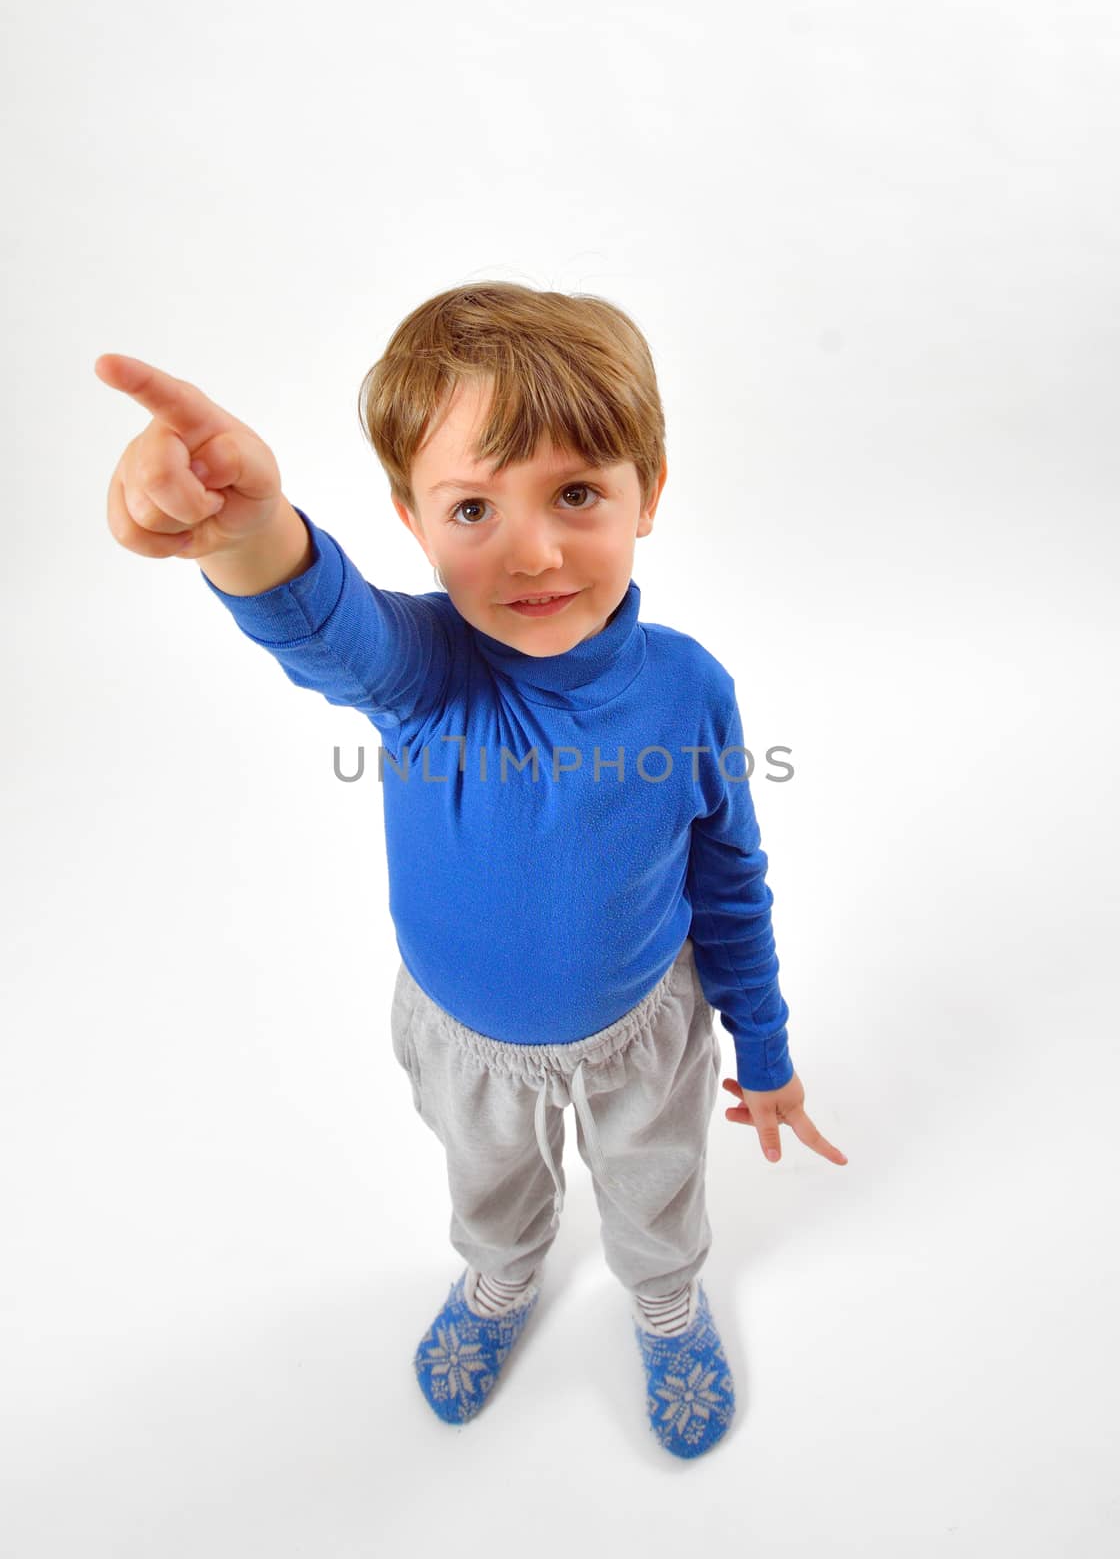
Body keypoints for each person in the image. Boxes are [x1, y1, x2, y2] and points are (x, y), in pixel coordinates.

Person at [96, 280, 847, 1460]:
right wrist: (245, 528)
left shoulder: (687, 686)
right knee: (488, 1184)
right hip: (462, 1037)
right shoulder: (421, 673)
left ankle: (664, 1298)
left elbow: (729, 876)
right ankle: (500, 1277)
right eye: (472, 508)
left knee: (653, 1187)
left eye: (578, 492)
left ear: (649, 493)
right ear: (410, 516)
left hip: (642, 1030)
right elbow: (318, 617)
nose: (533, 549)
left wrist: (767, 1048)